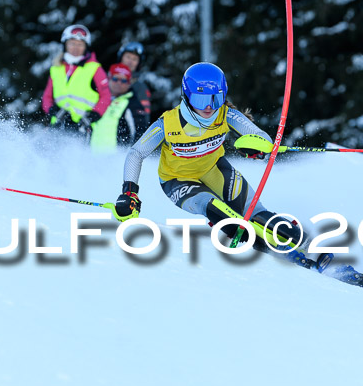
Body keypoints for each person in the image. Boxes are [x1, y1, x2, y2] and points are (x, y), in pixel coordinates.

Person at [111, 62, 323, 269]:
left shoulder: (225, 113)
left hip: (215, 170)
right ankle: (280, 258)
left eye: (216, 98)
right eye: (201, 99)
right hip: (178, 181)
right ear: (186, 96)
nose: (209, 107)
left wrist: (257, 146)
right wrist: (129, 192)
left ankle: (312, 248)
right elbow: (136, 153)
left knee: (257, 213)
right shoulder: (168, 123)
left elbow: (259, 135)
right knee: (219, 211)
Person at [42, 24, 111, 136]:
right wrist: (51, 109)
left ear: (86, 47)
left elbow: (106, 96)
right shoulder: (56, 68)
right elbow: (47, 96)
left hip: (83, 126)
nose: (76, 48)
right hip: (58, 124)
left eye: (80, 44)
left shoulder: (95, 68)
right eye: (72, 43)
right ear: (65, 44)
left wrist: (95, 114)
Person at [90, 63, 149, 151]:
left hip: (116, 158)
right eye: (115, 79)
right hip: (91, 154)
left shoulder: (133, 103)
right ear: (108, 79)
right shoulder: (97, 98)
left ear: (129, 83)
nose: (119, 83)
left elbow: (140, 131)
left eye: (123, 80)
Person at [117, 41, 152, 121]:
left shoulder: (140, 88)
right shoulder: (105, 78)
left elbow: (144, 118)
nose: (130, 62)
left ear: (139, 63)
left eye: (134, 59)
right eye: (128, 57)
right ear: (121, 57)